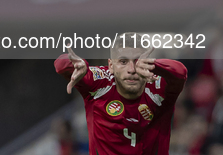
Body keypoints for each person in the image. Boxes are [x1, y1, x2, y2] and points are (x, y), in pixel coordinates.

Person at [54, 32, 187, 154]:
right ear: (111, 66)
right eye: (123, 62)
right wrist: (78, 65)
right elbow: (60, 64)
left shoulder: (159, 86)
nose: (131, 69)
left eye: (138, 61)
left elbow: (181, 72)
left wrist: (155, 65)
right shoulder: (99, 83)